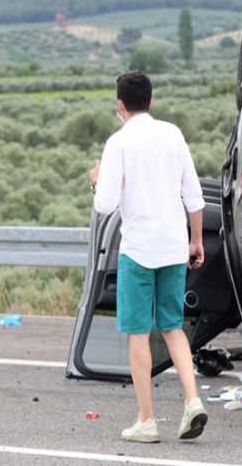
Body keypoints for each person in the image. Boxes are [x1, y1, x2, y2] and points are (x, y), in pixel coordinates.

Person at [88, 70, 208, 443]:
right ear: (151, 100)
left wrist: (96, 178)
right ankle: (192, 400)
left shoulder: (117, 143)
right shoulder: (172, 134)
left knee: (138, 333)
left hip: (138, 250)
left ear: (120, 105)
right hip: (174, 244)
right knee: (173, 326)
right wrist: (197, 240)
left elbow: (106, 203)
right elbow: (194, 194)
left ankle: (147, 420)